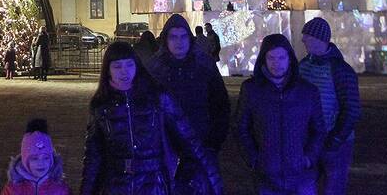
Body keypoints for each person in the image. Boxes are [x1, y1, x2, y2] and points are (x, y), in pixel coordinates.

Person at [81, 41, 223, 195]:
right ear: (108, 70)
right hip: (117, 185)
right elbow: (93, 156)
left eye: (129, 65)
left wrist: (212, 181)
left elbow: (189, 140)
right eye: (117, 66)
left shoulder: (157, 97)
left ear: (136, 65)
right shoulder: (101, 106)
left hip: (154, 184)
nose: (124, 72)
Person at [236, 34, 326, 195]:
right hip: (266, 176)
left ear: (289, 59)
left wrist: (309, 158)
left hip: (302, 175)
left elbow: (318, 130)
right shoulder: (252, 90)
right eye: (271, 58)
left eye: (281, 57)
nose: (276, 63)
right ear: (264, 59)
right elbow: (241, 127)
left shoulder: (307, 92)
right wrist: (254, 158)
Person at [147, 13, 231, 178]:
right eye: (173, 37)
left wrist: (213, 142)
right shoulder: (154, 69)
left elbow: (220, 105)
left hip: (201, 146)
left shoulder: (204, 65)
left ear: (189, 38)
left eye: (183, 36)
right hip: (165, 149)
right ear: (166, 39)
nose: (179, 42)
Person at [298, 17, 360, 195]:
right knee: (307, 186)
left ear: (319, 39)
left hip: (334, 142)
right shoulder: (304, 65)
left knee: (332, 187)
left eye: (307, 37)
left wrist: (336, 139)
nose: (303, 40)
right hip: (310, 141)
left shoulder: (340, 70)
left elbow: (352, 109)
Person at [0, 118, 72, 195]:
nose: (41, 163)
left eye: (46, 158)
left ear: (51, 159)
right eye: (34, 158)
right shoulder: (12, 190)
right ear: (25, 160)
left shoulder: (61, 189)